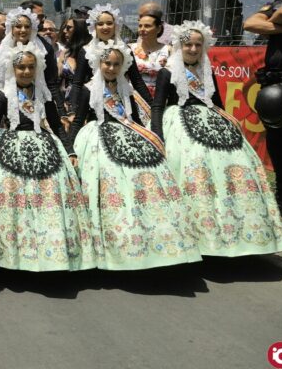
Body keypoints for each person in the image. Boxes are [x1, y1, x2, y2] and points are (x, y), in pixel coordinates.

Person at [151, 21, 282, 256]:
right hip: (179, 125)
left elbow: (217, 104)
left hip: (212, 123)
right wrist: (157, 136)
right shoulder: (167, 72)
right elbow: (157, 106)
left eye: (198, 45)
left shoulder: (208, 70)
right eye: (188, 44)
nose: (193, 49)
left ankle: (237, 229)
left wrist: (229, 124)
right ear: (180, 45)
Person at [68, 41, 200, 270]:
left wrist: (149, 138)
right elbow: (78, 121)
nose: (111, 68)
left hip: (128, 134)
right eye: (107, 63)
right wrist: (70, 149)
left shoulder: (126, 89)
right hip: (97, 138)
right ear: (98, 63)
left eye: (116, 64)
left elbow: (135, 120)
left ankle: (152, 234)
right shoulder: (89, 89)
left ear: (123, 66)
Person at [0, 43, 95, 272]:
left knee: (52, 193)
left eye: (31, 67)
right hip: (11, 144)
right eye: (21, 67)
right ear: (12, 69)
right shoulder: (3, 94)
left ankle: (51, 249)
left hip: (43, 143)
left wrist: (69, 150)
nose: (26, 71)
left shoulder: (43, 94)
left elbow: (56, 125)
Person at [242, 0, 282, 217]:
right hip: (274, 86)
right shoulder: (276, 3)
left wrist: (277, 18)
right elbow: (251, 23)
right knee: (279, 147)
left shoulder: (280, 6)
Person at [68, 4, 153, 116]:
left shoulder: (125, 50)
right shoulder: (86, 51)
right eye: (100, 24)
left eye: (109, 23)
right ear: (94, 27)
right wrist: (73, 111)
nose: (105, 27)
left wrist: (153, 107)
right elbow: (77, 84)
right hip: (94, 106)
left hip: (124, 105)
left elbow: (137, 82)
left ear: (115, 25)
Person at [130, 5, 169, 98]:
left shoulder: (169, 50)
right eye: (140, 26)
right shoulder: (129, 49)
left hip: (160, 99)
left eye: (147, 26)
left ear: (158, 29)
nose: (142, 29)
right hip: (134, 99)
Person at [58, 12, 92, 105]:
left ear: (79, 30)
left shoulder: (91, 53)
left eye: (68, 28)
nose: (64, 31)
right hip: (65, 103)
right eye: (65, 27)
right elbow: (57, 78)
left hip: (86, 101)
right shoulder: (65, 53)